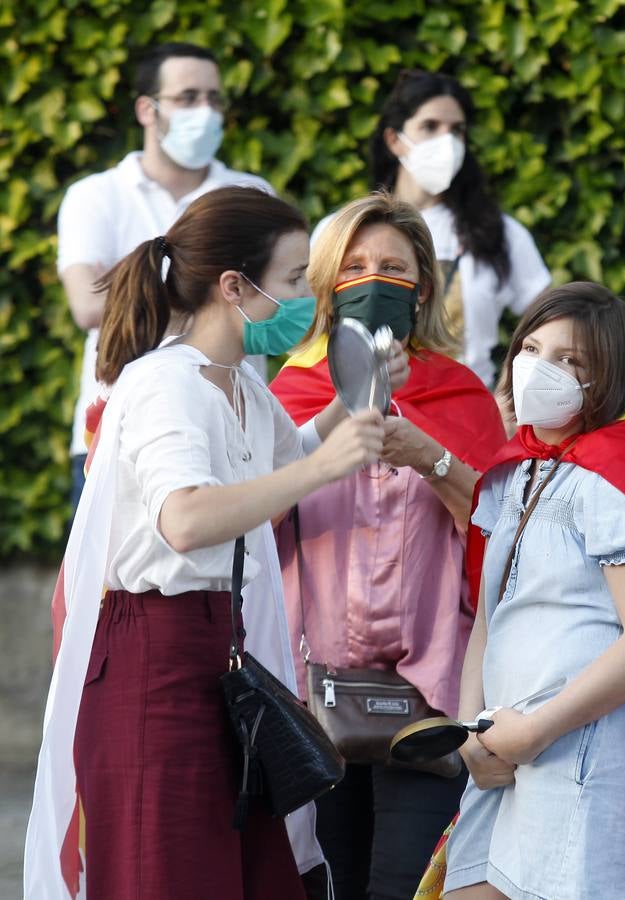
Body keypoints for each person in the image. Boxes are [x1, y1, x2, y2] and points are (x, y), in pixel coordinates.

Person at [24, 186, 386, 900]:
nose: (303, 303)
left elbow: (280, 469)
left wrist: (357, 396)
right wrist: (321, 465)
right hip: (152, 662)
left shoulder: (241, 383)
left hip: (221, 657)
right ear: (234, 287)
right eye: (291, 282)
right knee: (172, 876)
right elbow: (185, 519)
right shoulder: (168, 384)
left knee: (246, 875)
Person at [269, 192, 508, 900]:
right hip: (314, 699)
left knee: (406, 885)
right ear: (327, 285)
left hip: (430, 699)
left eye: (393, 267)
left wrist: (430, 457)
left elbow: (501, 534)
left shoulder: (461, 394)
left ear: (424, 287)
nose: (373, 281)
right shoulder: (292, 391)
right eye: (355, 267)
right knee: (326, 882)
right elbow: (255, 523)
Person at [442, 282, 625, 900]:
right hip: (502, 751)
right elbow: (486, 619)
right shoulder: (512, 471)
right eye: (530, 348)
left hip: (583, 751)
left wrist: (537, 730)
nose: (539, 368)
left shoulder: (615, 474)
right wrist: (472, 730)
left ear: (608, 378)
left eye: (569, 360)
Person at [58, 41, 273, 511]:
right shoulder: (96, 196)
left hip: (238, 432)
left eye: (214, 99)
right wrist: (219, 300)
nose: (206, 111)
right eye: (189, 97)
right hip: (118, 430)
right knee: (107, 586)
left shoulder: (251, 194)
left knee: (243, 585)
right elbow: (88, 306)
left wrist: (139, 287)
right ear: (146, 109)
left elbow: (273, 307)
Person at [314, 69, 551, 388]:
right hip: (358, 408)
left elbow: (550, 322)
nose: (446, 141)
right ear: (394, 139)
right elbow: (313, 330)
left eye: (457, 130)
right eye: (430, 127)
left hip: (465, 416)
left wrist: (507, 396)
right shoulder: (341, 231)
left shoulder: (500, 233)